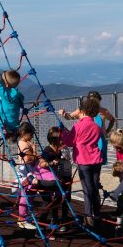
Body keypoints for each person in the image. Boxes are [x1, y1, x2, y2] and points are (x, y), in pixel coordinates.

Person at [60, 97, 105, 227]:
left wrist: (64, 133)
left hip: (83, 161)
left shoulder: (78, 126)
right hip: (96, 160)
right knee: (95, 188)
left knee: (87, 189)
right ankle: (96, 214)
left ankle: (88, 215)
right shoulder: (97, 127)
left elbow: (69, 142)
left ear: (83, 111)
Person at [58, 91, 115, 166]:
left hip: (100, 141)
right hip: (86, 143)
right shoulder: (83, 110)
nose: (93, 102)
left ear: (99, 100)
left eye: (95, 100)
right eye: (91, 100)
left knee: (97, 164)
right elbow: (70, 117)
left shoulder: (104, 111)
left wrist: (107, 131)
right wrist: (64, 114)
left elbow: (112, 119)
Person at [39, 126, 73, 232]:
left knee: (66, 198)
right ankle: (54, 219)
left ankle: (64, 219)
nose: (65, 141)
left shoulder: (63, 148)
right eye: (63, 139)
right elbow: (42, 163)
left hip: (66, 176)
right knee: (58, 199)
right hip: (57, 179)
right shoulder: (48, 150)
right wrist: (53, 162)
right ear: (56, 141)